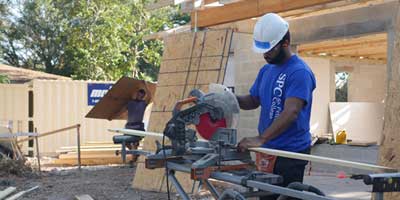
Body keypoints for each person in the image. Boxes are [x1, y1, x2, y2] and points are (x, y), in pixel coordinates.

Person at [236, 13, 316, 200]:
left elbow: (292, 112)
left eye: (270, 49)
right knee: (266, 197)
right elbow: (253, 100)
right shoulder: (267, 70)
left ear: (285, 42)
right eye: (263, 50)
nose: (265, 54)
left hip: (290, 153)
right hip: (269, 150)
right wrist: (229, 99)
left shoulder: (299, 72)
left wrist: (260, 139)